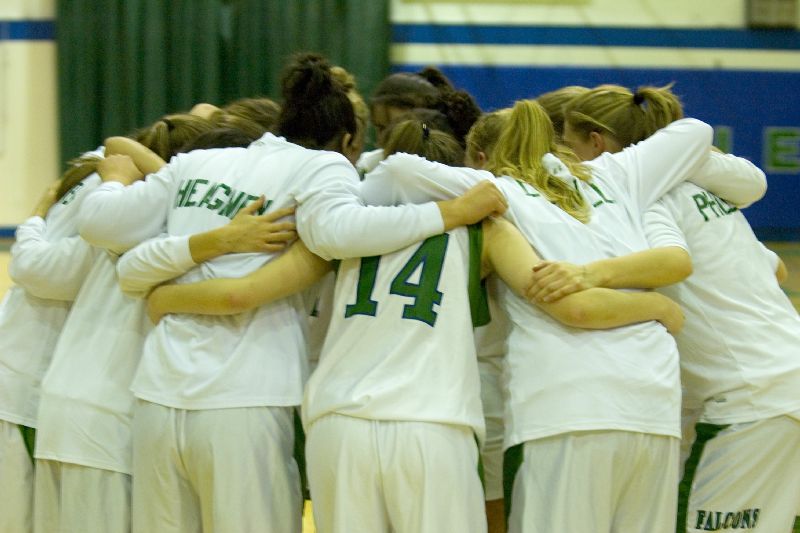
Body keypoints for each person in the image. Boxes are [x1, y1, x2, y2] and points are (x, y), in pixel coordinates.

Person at [75, 53, 504, 533]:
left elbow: (106, 231)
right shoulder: (324, 168)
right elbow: (337, 232)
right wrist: (451, 213)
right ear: (349, 141)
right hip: (245, 397)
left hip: (157, 394)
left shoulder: (199, 161)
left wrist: (179, 263)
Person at [544, 83, 798, 533]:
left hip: (750, 401)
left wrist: (589, 275)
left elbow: (675, 262)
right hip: (780, 382)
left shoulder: (645, 198)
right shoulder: (702, 190)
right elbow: (774, 269)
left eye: (569, 144)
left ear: (597, 143)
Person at [30, 112, 290, 533]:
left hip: (67, 408)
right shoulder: (181, 224)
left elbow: (119, 142)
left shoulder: (130, 213)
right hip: (109, 423)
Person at [357, 66, 481, 174]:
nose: (382, 140)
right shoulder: (368, 164)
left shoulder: (461, 171)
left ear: (428, 123)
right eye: (380, 128)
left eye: (395, 130)